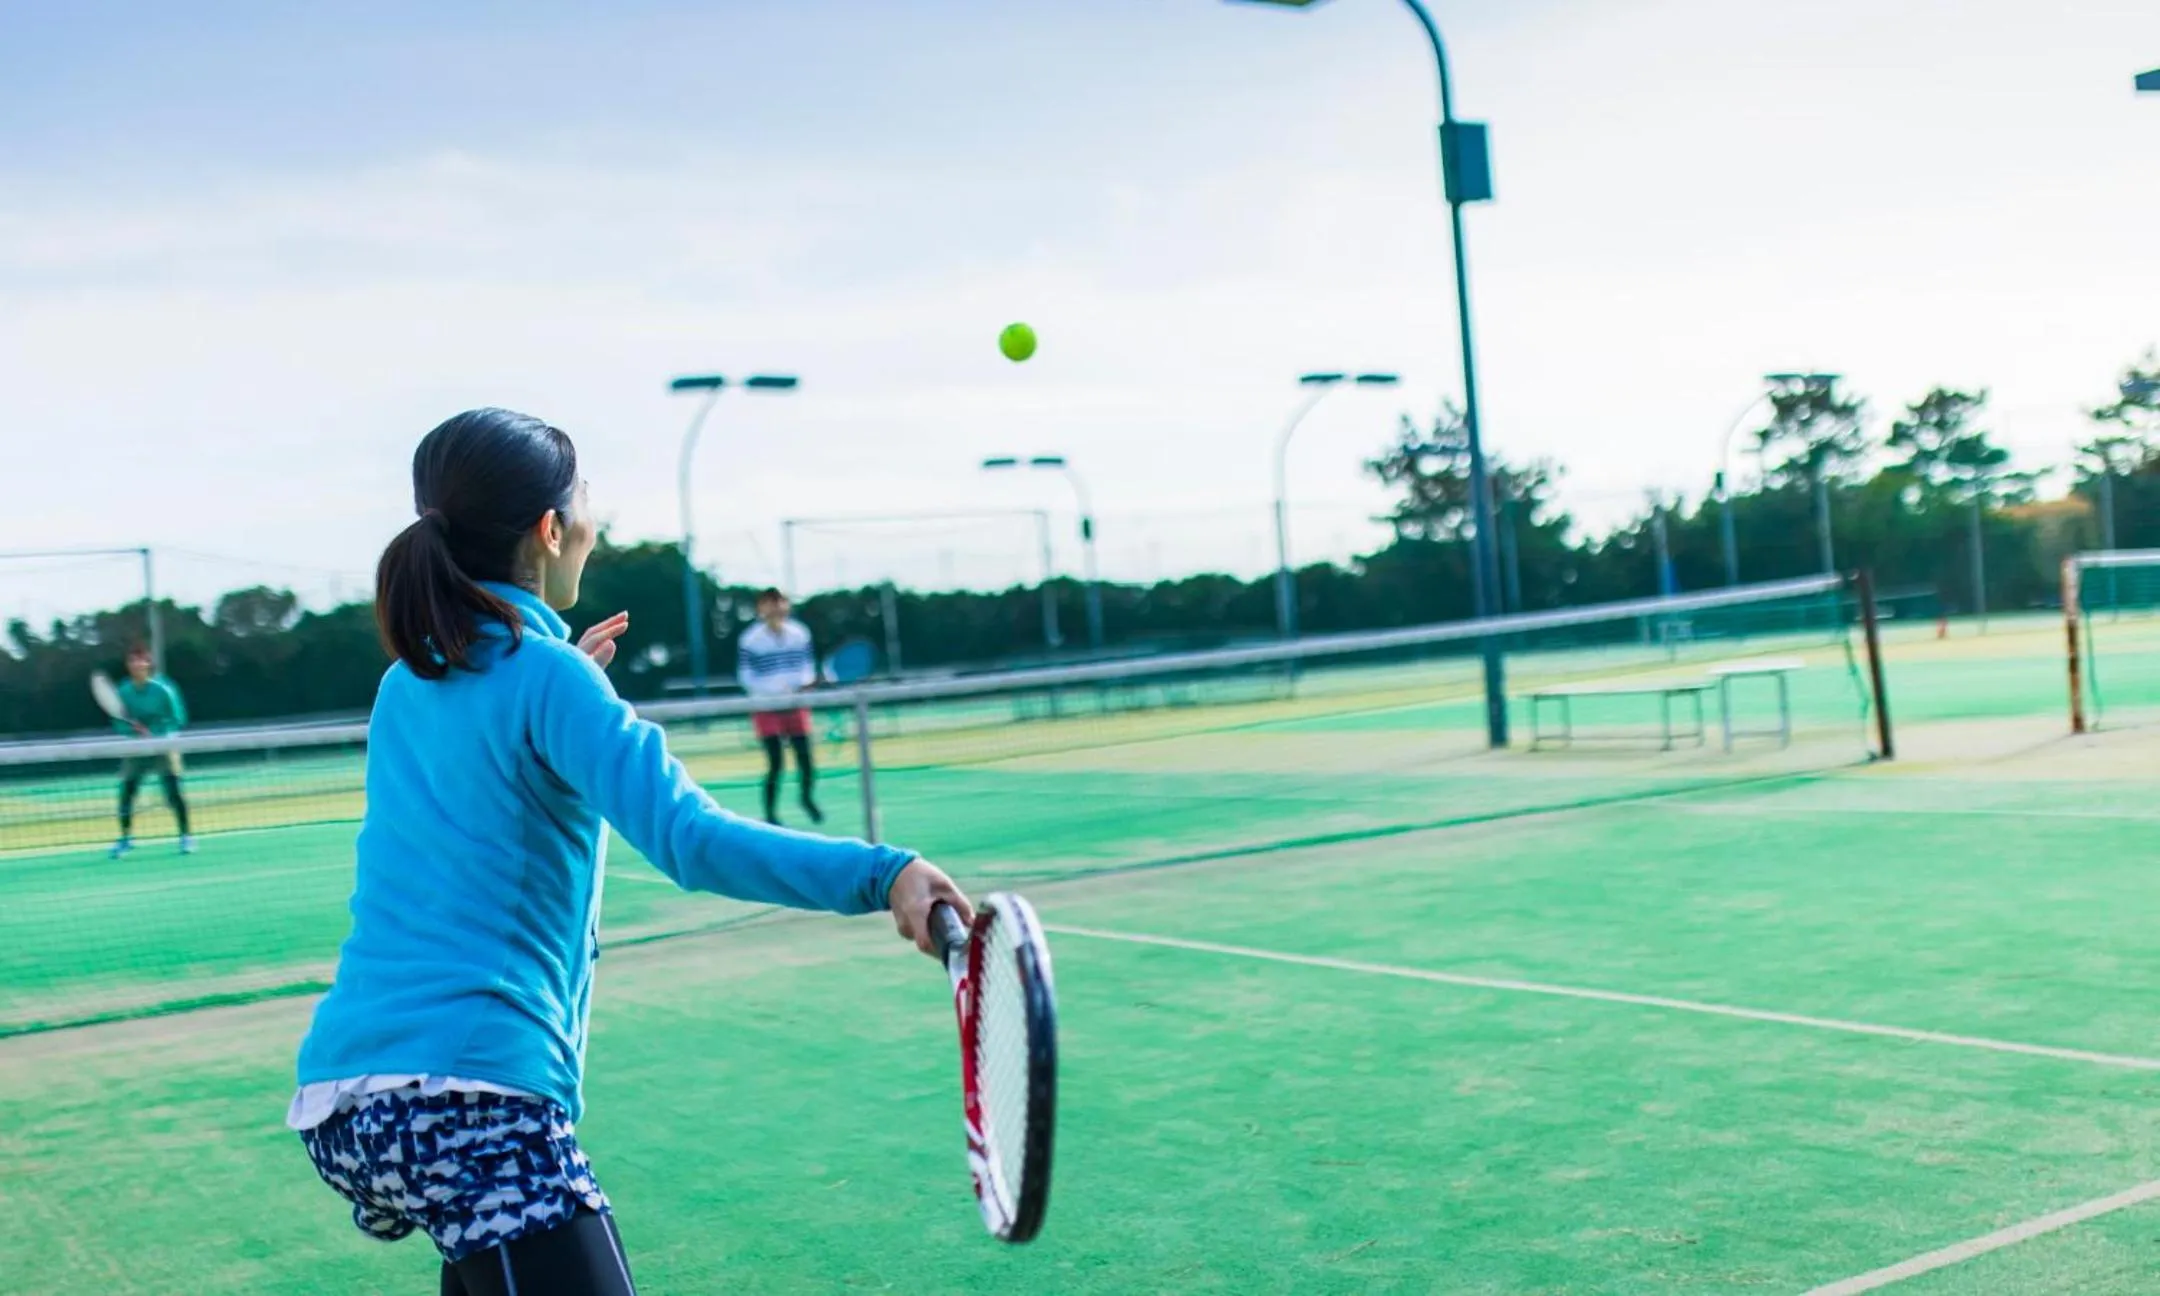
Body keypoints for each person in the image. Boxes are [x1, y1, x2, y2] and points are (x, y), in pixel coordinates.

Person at [288, 409, 969, 1296]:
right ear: (550, 529)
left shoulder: (411, 679)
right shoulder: (550, 680)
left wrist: (563, 673)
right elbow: (690, 841)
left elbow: (493, 761)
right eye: (586, 504)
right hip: (469, 1099)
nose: (596, 526)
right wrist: (884, 875)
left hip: (347, 1099)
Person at [736, 588, 822, 826]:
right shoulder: (749, 639)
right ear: (760, 608)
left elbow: (806, 667)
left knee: (806, 758)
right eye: (769, 603)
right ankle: (771, 814)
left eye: (780, 602)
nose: (775, 607)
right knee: (776, 763)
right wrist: (775, 691)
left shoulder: (800, 634)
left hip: (796, 704)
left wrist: (802, 686)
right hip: (766, 706)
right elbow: (746, 677)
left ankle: (806, 798)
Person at [109, 643, 194, 857]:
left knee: (174, 793)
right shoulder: (123, 692)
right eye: (132, 660)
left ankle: (186, 837)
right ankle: (126, 838)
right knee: (127, 793)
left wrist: (156, 733)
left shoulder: (164, 689)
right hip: (136, 748)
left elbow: (178, 718)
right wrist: (133, 731)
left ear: (148, 664)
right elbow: (118, 721)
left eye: (141, 660)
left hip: (164, 745)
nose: (137, 664)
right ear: (128, 665)